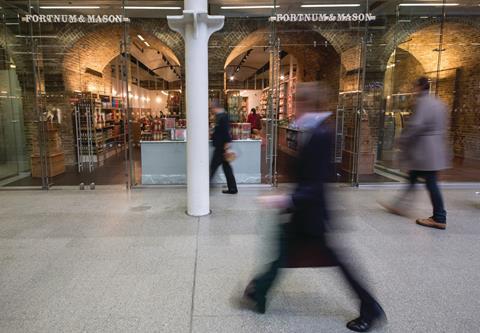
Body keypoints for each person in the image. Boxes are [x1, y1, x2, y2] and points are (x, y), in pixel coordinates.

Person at [240, 82, 386, 332]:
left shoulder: (320, 134)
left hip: (311, 213)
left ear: (308, 105)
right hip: (307, 212)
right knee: (285, 251)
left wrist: (286, 199)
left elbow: (316, 183)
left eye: (297, 104)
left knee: (323, 257)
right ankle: (258, 291)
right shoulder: (318, 130)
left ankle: (370, 307)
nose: (294, 110)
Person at [381, 77, 450, 230]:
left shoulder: (423, 103)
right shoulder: (439, 103)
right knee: (412, 177)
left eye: (414, 87)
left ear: (419, 87)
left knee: (430, 182)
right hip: (434, 148)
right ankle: (399, 206)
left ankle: (439, 217)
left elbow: (416, 126)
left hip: (425, 149)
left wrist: (402, 140)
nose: (413, 90)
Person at [210, 104, 238, 194]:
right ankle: (233, 188)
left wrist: (227, 143)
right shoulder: (222, 116)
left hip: (221, 147)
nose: (211, 110)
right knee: (227, 168)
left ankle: (206, 187)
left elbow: (226, 131)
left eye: (212, 108)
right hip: (222, 146)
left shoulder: (222, 117)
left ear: (216, 108)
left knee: (213, 167)